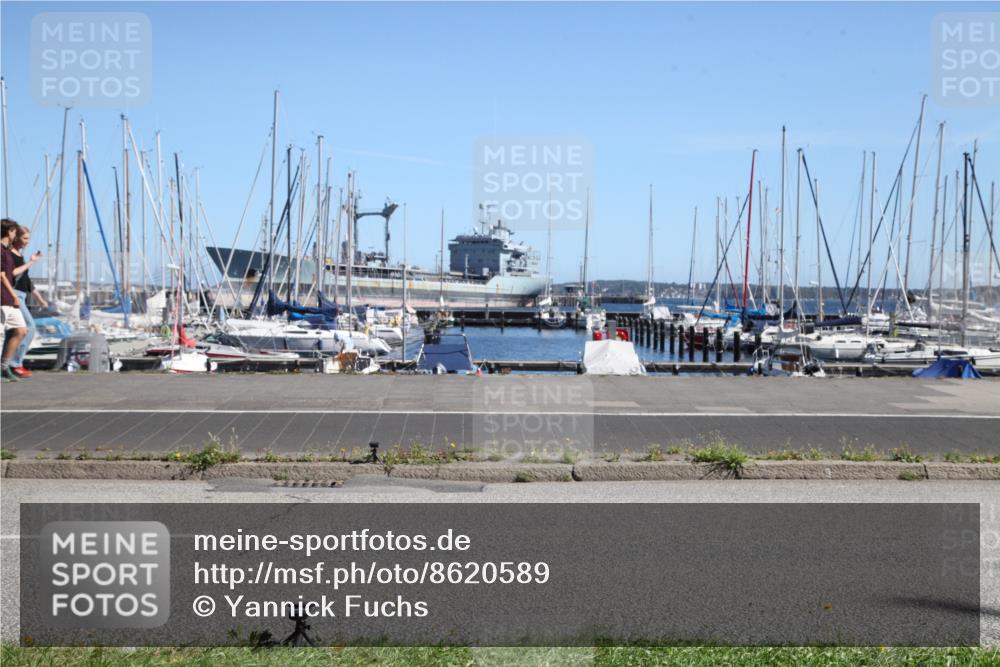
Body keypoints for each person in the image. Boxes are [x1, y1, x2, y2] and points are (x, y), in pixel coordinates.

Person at [9, 225, 47, 377]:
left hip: (22, 295)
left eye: (28, 239)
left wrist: (40, 298)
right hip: (15, 295)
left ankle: (9, 364)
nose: (27, 242)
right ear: (16, 237)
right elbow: (13, 274)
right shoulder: (10, 255)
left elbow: (26, 280)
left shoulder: (18, 255)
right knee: (29, 327)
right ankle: (15, 363)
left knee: (15, 331)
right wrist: (31, 262)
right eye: (25, 238)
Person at [1, 218, 28, 382]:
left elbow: (12, 273)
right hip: (3, 298)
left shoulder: (7, 251)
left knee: (21, 330)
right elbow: (1, 275)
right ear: (9, 232)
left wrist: (31, 261)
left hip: (8, 299)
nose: (15, 234)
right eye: (14, 231)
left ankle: (3, 366)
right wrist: (13, 296)